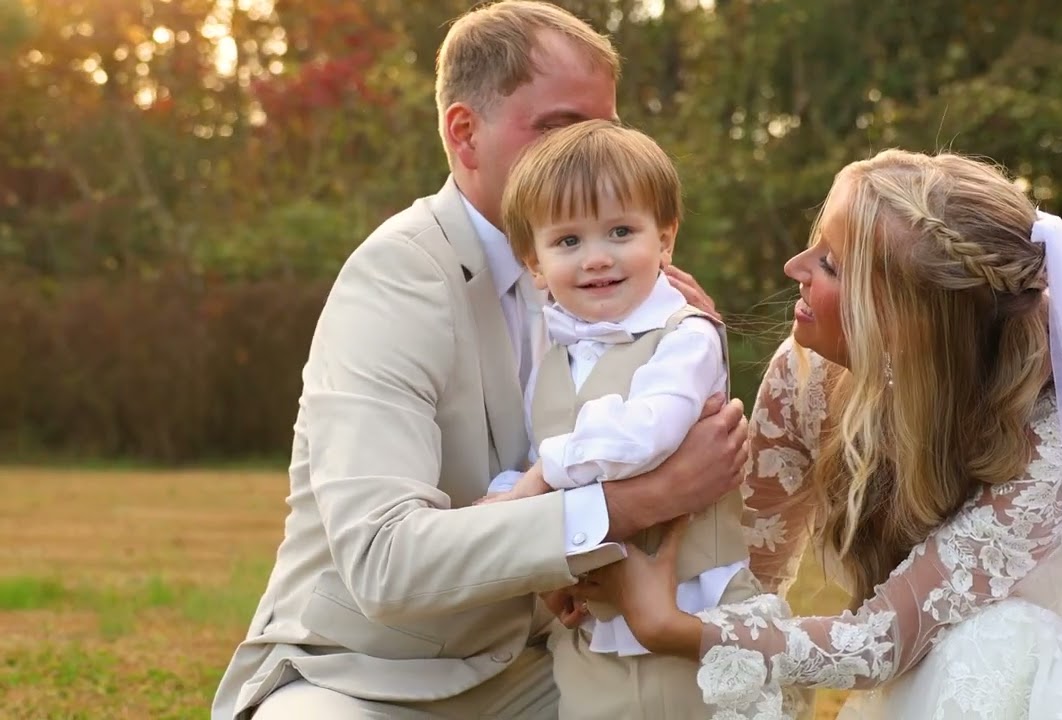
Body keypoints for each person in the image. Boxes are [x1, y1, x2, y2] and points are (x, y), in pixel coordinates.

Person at [576, 149, 1062, 719]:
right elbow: (755, 575)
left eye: (827, 266)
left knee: (991, 642)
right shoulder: (806, 378)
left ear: (901, 321)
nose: (794, 269)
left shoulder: (1052, 445)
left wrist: (667, 625)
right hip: (908, 682)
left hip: (1034, 695)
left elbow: (883, 640)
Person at [210, 3, 749, 719]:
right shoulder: (395, 279)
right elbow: (384, 560)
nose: (585, 152)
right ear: (465, 134)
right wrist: (638, 501)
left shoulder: (610, 279)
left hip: (545, 662)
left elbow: (672, 449)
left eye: (604, 130)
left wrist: (694, 353)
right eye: (559, 127)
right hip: (368, 674)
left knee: (731, 700)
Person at [475, 119, 764, 718]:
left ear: (665, 239)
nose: (597, 258)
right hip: (592, 632)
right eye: (568, 242)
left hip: (689, 617)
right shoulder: (554, 358)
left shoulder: (686, 338)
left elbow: (644, 437)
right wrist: (510, 505)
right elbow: (541, 449)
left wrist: (536, 487)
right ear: (534, 263)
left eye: (621, 231)